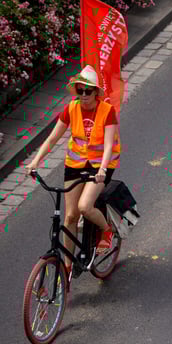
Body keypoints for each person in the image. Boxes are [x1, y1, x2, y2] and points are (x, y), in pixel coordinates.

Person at [25, 65, 121, 275]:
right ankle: (67, 267)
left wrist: (103, 169)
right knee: (69, 217)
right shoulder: (71, 108)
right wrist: (35, 162)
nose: (84, 95)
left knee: (85, 206)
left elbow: (107, 146)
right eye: (80, 90)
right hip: (76, 163)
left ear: (96, 92)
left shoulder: (107, 111)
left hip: (99, 165)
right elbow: (52, 138)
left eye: (88, 91)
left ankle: (107, 231)